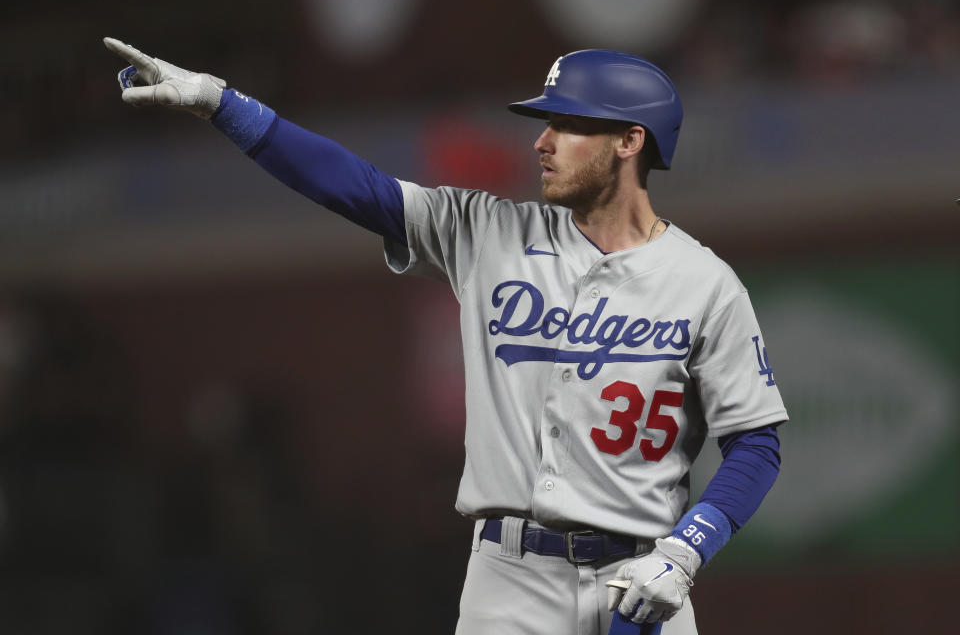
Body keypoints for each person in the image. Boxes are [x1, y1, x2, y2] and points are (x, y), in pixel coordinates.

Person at [103, 38, 788, 635]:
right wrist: (224, 104)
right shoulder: (487, 232)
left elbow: (756, 441)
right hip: (510, 577)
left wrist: (687, 550)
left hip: (646, 574)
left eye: (566, 124)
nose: (541, 142)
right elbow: (353, 187)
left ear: (629, 142)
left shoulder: (704, 282)